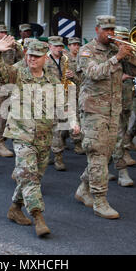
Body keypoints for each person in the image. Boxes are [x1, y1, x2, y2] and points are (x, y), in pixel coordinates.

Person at [0, 37, 79, 237]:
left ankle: (15, 208)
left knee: (33, 176)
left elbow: (63, 102)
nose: (31, 59)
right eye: (29, 55)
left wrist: (72, 120)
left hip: (44, 137)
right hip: (22, 135)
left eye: (36, 56)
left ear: (45, 58)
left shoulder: (52, 79)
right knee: (30, 178)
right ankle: (39, 217)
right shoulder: (18, 73)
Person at [75, 15, 133, 219]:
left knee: (105, 155)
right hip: (93, 111)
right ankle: (100, 200)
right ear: (97, 29)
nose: (110, 33)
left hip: (112, 111)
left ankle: (84, 188)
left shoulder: (114, 50)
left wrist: (130, 54)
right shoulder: (86, 51)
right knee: (97, 154)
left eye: (112, 30)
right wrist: (116, 58)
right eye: (106, 29)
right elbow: (93, 73)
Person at [110, 26, 136, 187]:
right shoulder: (106, 53)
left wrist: (130, 55)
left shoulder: (127, 55)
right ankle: (122, 171)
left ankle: (103, 169)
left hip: (124, 101)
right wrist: (118, 77)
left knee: (119, 135)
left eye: (125, 39)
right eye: (120, 39)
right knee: (114, 138)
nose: (122, 43)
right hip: (105, 103)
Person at [0, 24, 24, 157]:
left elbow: (22, 61)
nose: (3, 34)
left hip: (11, 83)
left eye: (5, 32)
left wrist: (17, 47)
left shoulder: (13, 48)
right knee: (1, 115)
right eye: (0, 32)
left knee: (10, 115)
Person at [45, 35, 80, 171]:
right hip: (49, 99)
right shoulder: (45, 60)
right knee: (51, 129)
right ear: (50, 47)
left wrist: (73, 76)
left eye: (60, 46)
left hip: (65, 98)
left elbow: (79, 80)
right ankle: (52, 155)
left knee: (61, 128)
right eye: (56, 46)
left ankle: (58, 156)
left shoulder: (67, 60)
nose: (59, 49)